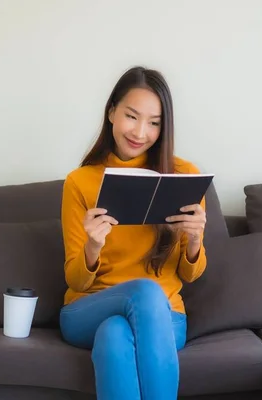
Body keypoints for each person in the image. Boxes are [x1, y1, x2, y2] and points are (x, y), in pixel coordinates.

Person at [59, 66, 208, 400]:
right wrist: (93, 247)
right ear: (112, 111)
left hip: (165, 318)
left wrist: (195, 240)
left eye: (154, 123)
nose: (141, 132)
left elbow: (190, 274)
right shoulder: (80, 182)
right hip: (87, 308)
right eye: (131, 116)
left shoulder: (183, 175)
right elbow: (75, 281)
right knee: (141, 292)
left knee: (114, 334)